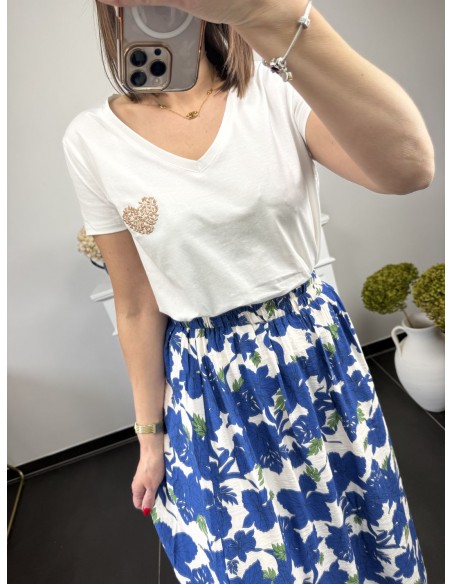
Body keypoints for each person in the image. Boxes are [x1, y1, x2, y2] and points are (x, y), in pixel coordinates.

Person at [63, 0, 434, 582]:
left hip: (315, 361)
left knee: (360, 537)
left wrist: (271, 13)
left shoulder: (276, 84)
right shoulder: (92, 139)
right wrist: (149, 439)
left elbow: (409, 167)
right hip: (209, 387)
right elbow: (134, 305)